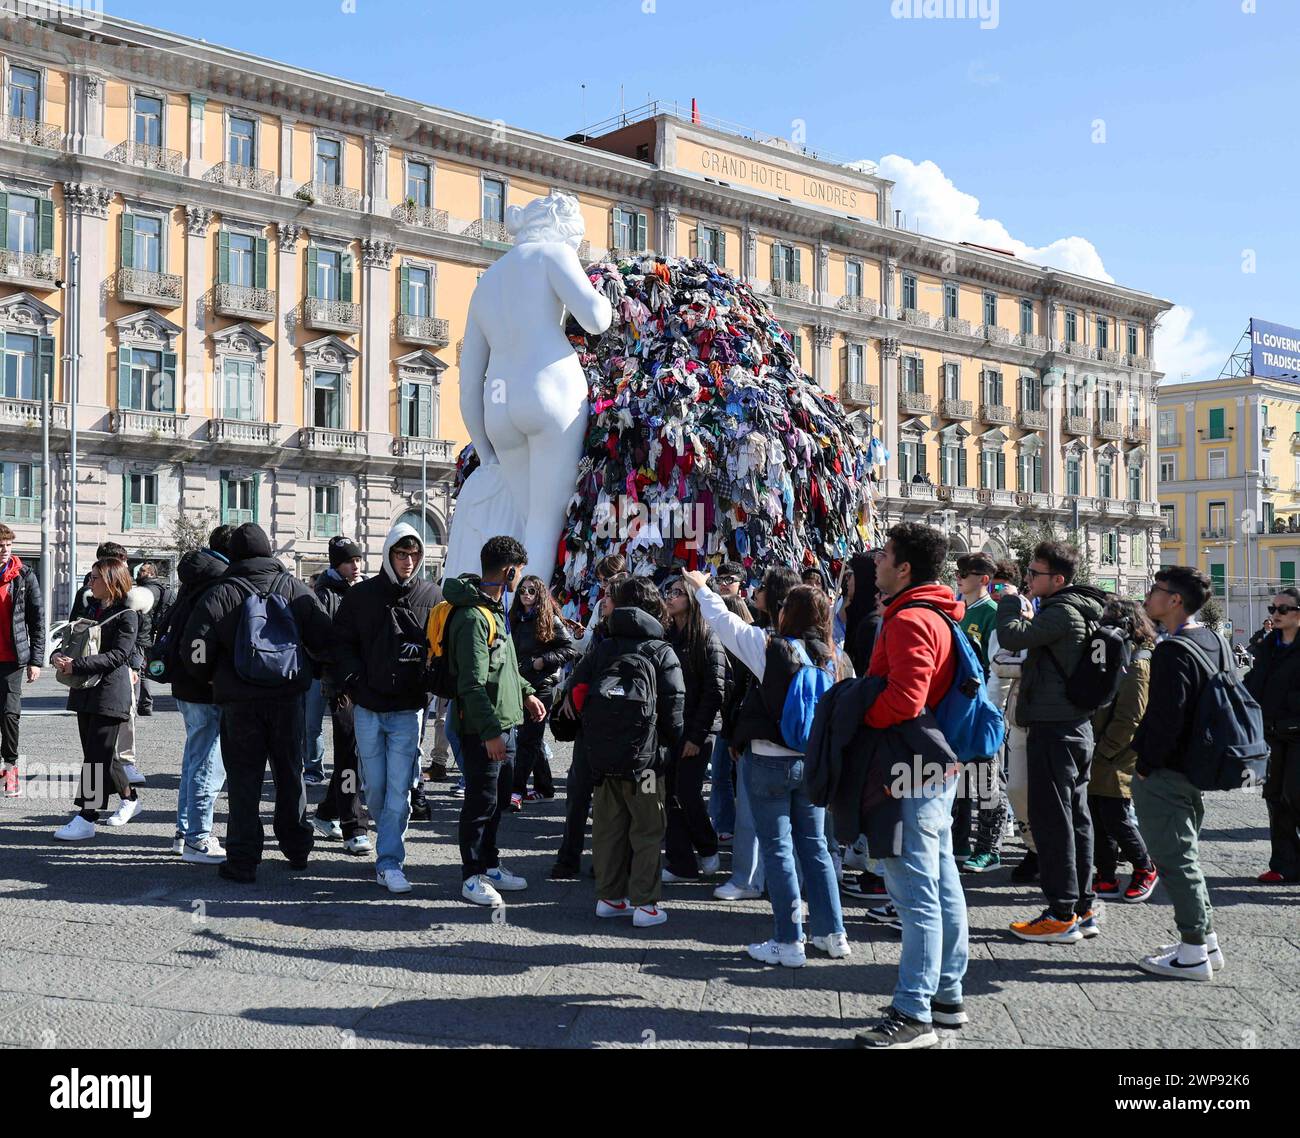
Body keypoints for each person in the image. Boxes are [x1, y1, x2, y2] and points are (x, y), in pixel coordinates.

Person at [685, 569, 850, 968]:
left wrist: (703, 588)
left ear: (785, 613)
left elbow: (727, 625)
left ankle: (789, 939)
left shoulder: (772, 647)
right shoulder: (834, 657)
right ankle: (833, 933)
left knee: (778, 849)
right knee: (815, 848)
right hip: (810, 763)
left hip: (768, 761)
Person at [847, 523, 967, 1049]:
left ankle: (913, 1012)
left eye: (885, 555)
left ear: (906, 569)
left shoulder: (910, 619)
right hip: (932, 764)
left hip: (908, 766)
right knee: (941, 885)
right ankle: (946, 995)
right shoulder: (936, 611)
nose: (876, 563)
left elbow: (904, 700)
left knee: (915, 893)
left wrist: (854, 711)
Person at [181, 523, 334, 884]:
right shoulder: (293, 587)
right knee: (289, 773)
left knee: (244, 779)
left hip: (240, 703)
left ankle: (244, 860)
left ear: (233, 554)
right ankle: (297, 848)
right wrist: (309, 671)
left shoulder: (222, 592)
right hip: (287, 698)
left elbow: (195, 649)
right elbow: (325, 637)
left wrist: (215, 677)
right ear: (269, 551)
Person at [994, 541, 1106, 944]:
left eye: (1033, 573)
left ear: (1057, 579)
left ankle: (1060, 914)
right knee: (1076, 818)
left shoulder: (1061, 610)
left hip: (1054, 727)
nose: (1026, 579)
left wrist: (1009, 600)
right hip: (1075, 726)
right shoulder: (1084, 607)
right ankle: (1083, 907)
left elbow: (1010, 634)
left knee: (1054, 821)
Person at [570, 575, 684, 927]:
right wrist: (666, 748)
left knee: (607, 827)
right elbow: (675, 711)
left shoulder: (603, 647)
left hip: (604, 760)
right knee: (648, 829)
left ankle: (609, 897)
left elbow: (577, 694)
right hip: (647, 765)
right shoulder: (661, 651)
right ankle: (646, 905)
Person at [1130, 566, 1227, 979]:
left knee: (1175, 860)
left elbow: (1167, 719)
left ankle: (1191, 955)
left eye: (1155, 590)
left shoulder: (1171, 651)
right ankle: (1206, 942)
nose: (1148, 596)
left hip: (1168, 771)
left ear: (1174, 601)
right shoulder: (1214, 639)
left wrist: (1147, 766)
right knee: (1186, 855)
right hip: (1197, 767)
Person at [334, 525, 441, 893]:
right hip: (368, 706)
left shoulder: (433, 595)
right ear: (388, 554)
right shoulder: (361, 595)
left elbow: (440, 648)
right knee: (375, 788)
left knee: (398, 789)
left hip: (408, 710)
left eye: (414, 555)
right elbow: (341, 643)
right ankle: (387, 842)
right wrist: (354, 681)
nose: (408, 562)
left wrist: (430, 683)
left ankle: (390, 859)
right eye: (401, 554)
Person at [446, 536, 547, 906]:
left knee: (497, 801)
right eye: (518, 573)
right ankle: (471, 876)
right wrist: (490, 733)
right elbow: (471, 684)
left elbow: (503, 668)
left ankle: (489, 866)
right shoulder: (474, 616)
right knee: (480, 803)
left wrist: (525, 691)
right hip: (483, 730)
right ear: (508, 571)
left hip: (505, 724)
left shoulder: (492, 609)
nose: (518, 581)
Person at [711, 566, 798, 902]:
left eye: (763, 586)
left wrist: (703, 590)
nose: (756, 591)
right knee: (802, 833)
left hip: (765, 742)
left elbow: (725, 623)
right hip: (798, 743)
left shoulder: (766, 641)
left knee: (754, 816)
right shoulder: (817, 642)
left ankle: (749, 879)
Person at [50, 559, 147, 840]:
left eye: (94, 578)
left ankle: (87, 817)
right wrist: (57, 656)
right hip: (84, 691)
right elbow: (70, 640)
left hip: (110, 693)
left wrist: (77, 665)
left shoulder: (127, 615)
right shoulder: (91, 608)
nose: (89, 582)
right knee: (102, 754)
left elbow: (119, 655)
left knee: (95, 758)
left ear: (111, 581)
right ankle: (130, 799)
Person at [162, 524, 233, 862]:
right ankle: (198, 838)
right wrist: (210, 676)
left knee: (194, 757)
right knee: (208, 762)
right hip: (205, 686)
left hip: (185, 682)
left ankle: (184, 832)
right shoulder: (222, 580)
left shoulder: (196, 574)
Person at [551, 572, 626, 879]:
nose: (602, 599)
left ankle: (603, 861)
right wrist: (571, 689)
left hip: (616, 724)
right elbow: (586, 665)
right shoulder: (601, 631)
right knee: (577, 792)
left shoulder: (631, 637)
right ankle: (568, 858)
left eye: (608, 595)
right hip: (589, 722)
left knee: (608, 800)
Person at [1088, 597, 1159, 902]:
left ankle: (1144, 867)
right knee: (1096, 810)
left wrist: (1104, 750)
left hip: (1117, 750)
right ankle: (1105, 875)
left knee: (1114, 813)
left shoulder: (1139, 660)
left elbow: (1131, 716)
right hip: (1104, 745)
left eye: (1108, 619)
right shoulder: (1121, 653)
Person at [661, 574, 727, 881]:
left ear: (691, 599)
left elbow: (715, 689)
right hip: (671, 728)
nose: (671, 597)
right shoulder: (667, 634)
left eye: (678, 593)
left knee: (686, 792)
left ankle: (708, 845)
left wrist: (697, 735)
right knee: (670, 794)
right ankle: (679, 862)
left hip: (698, 729)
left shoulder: (707, 636)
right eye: (669, 592)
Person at [310, 537, 370, 856]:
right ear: (336, 564)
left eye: (358, 559)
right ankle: (353, 826)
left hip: (366, 685)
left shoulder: (363, 589)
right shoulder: (325, 594)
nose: (356, 565)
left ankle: (325, 813)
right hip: (340, 686)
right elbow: (325, 640)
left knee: (357, 753)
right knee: (348, 753)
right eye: (349, 561)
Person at [1244, 587, 1300, 884]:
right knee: (1275, 798)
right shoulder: (1268, 646)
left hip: (1296, 733)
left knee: (1296, 796)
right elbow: (1253, 683)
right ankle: (1284, 865)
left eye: (1283, 610)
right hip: (1271, 734)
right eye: (1272, 609)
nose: (1275, 615)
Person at [509, 575, 579, 810]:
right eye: (522, 590)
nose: (526, 594)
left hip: (541, 685)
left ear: (539, 594)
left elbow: (569, 648)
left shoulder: (549, 619)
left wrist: (543, 661)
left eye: (531, 590)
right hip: (520, 684)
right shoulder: (515, 618)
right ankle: (545, 788)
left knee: (528, 739)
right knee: (531, 737)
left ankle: (516, 791)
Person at [987, 561, 1037, 883]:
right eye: (993, 588)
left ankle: (1041, 852)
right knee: (1017, 786)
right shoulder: (1002, 618)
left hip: (1032, 715)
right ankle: (1033, 848)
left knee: (1023, 786)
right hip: (1012, 714)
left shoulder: (1030, 615)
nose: (998, 594)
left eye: (1001, 588)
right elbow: (998, 665)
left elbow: (1005, 663)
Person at [954, 552, 1005, 871]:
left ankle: (989, 848)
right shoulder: (959, 612)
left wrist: (991, 712)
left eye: (965, 572)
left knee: (987, 781)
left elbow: (999, 668)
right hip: (959, 710)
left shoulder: (992, 614)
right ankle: (960, 843)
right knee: (959, 781)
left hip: (982, 710)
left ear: (983, 579)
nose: (958, 576)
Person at [0, 524, 44, 799]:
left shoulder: (25, 576)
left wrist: (36, 660)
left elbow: (37, 620)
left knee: (9, 714)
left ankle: (11, 766)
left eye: (7, 546)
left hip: (13, 659)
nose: (3, 551)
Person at [709, 592, 753, 847]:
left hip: (732, 721)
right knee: (730, 777)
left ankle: (725, 825)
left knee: (723, 776)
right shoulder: (745, 643)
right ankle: (727, 825)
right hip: (736, 721)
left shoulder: (734, 645)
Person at [133, 562, 170, 716]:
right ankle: (145, 704)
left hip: (142, 637)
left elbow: (143, 617)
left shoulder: (146, 591)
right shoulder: (163, 590)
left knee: (136, 670)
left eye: (142, 571)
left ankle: (139, 704)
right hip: (153, 636)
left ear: (151, 574)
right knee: (142, 670)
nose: (138, 573)